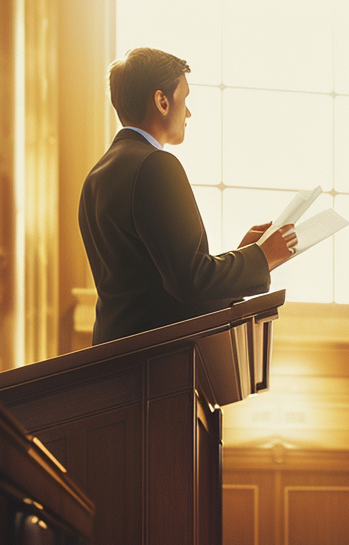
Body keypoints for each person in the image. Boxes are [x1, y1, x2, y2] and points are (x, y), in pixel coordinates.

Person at [79, 47, 297, 344]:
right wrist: (262, 257)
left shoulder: (97, 175)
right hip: (156, 362)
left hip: (116, 356)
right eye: (186, 99)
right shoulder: (155, 165)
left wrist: (243, 255)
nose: (189, 112)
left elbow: (161, 289)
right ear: (162, 101)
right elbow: (191, 281)